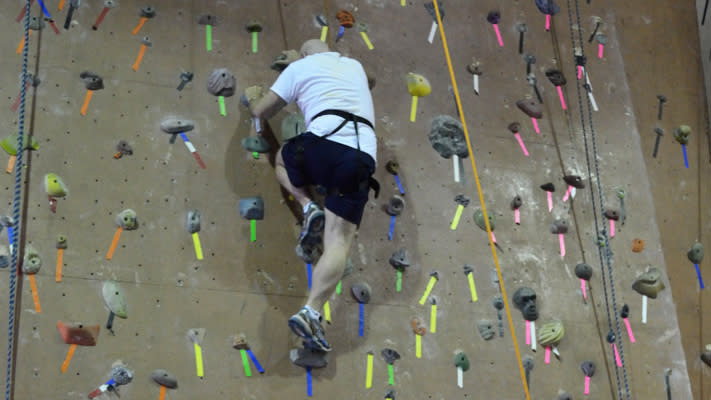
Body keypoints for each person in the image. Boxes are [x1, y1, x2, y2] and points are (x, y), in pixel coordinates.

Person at [246, 39, 378, 352]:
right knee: (339, 241)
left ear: (303, 55)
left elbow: (262, 111)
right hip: (360, 156)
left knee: (282, 161)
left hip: (321, 144)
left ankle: (307, 207)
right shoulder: (354, 66)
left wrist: (253, 103)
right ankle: (312, 311)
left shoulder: (300, 68)